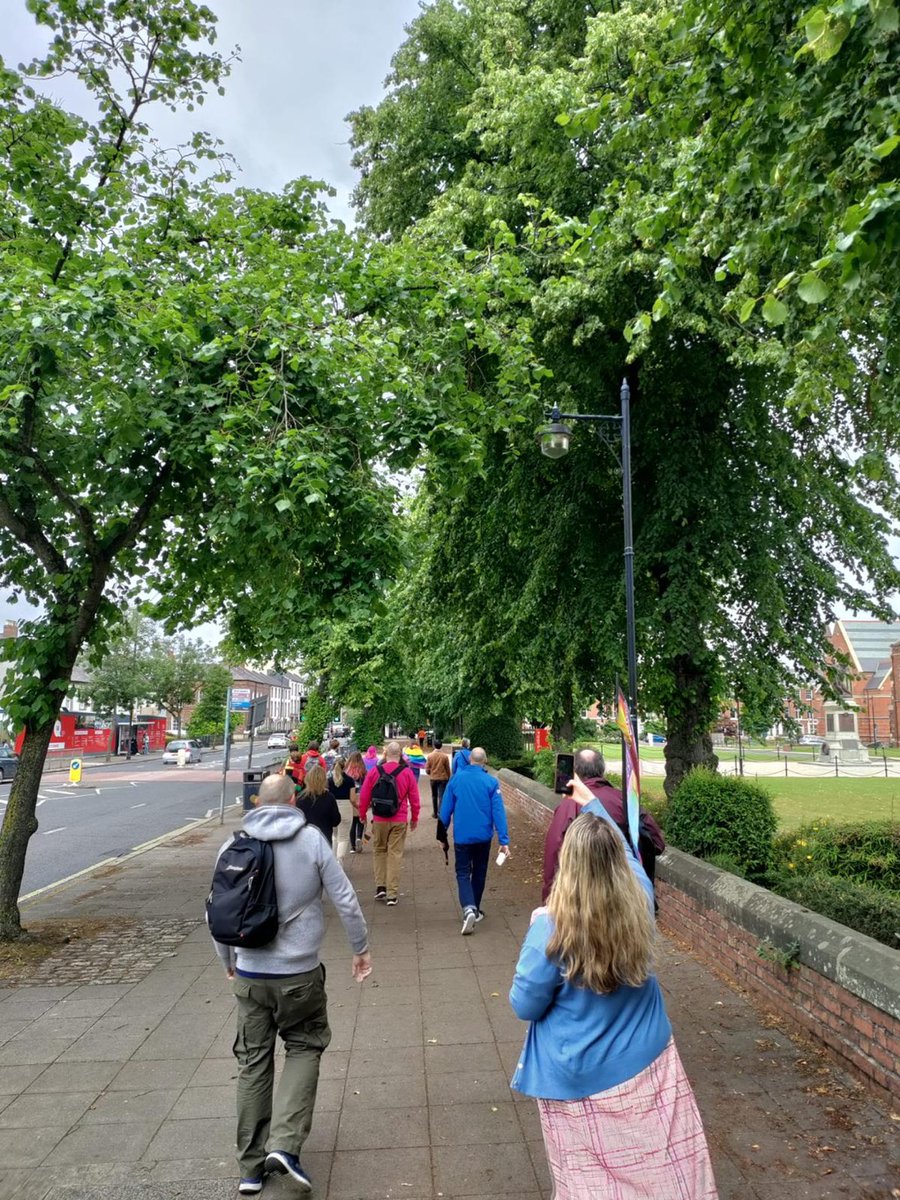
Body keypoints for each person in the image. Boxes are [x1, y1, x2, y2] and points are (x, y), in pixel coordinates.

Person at [510, 776, 718, 1200]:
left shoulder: (550, 929)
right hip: (649, 1064)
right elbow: (627, 851)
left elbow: (525, 1004)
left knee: (588, 1181)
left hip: (578, 1075)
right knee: (665, 1167)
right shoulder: (640, 900)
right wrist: (595, 808)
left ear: (568, 863)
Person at [210, 773, 372, 1196]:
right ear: (293, 802)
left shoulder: (234, 843)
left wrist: (228, 961)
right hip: (299, 974)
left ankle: (249, 1167)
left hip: (249, 974)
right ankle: (284, 1144)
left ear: (257, 802)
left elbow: (216, 909)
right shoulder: (311, 840)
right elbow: (345, 898)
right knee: (305, 1044)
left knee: (253, 1062)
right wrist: (361, 948)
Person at [542, 747, 665, 903]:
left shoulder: (569, 806)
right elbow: (657, 843)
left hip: (583, 897)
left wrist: (549, 901)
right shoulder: (625, 801)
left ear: (575, 772)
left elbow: (553, 854)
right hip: (626, 895)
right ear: (602, 769)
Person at [439, 747, 510, 935]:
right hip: (483, 837)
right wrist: (504, 840)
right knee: (479, 872)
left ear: (470, 759)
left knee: (462, 872)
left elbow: (445, 810)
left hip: (462, 836)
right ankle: (475, 909)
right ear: (484, 761)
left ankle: (468, 908)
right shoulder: (491, 782)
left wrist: (442, 835)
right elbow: (498, 812)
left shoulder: (456, 780)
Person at [358, 741, 419, 906]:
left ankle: (380, 887)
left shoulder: (374, 772)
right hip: (399, 819)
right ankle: (392, 894)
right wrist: (414, 818)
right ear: (400, 754)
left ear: (385, 754)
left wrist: (362, 814)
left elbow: (364, 796)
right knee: (395, 854)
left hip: (379, 819)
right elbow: (414, 799)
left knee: (379, 851)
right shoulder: (407, 773)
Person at [296, 764, 342, 848]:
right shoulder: (329, 797)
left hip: (305, 840)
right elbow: (336, 820)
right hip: (324, 839)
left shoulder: (300, 798)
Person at [328, 756, 361, 851]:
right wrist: (358, 807)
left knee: (334, 836)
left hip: (332, 808)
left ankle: (333, 861)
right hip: (346, 808)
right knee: (343, 837)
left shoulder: (329, 781)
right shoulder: (350, 781)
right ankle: (340, 860)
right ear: (345, 767)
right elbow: (352, 799)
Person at [425, 738, 451, 819]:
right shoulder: (445, 756)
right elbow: (447, 769)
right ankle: (440, 813)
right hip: (443, 778)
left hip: (433, 778)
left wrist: (431, 772)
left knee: (434, 795)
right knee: (441, 796)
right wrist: (448, 777)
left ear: (434, 745)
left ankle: (435, 813)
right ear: (441, 746)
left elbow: (427, 769)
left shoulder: (430, 756)